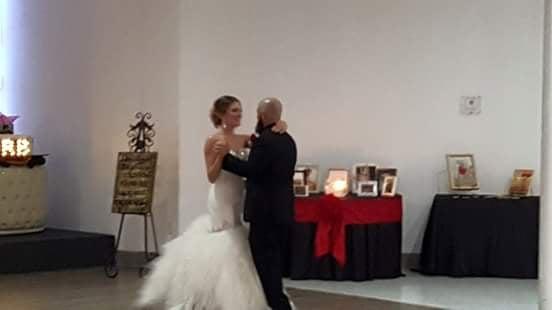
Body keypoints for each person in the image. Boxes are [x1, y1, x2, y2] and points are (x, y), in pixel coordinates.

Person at [136, 95, 286, 310]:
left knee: (239, 237)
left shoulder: (246, 139)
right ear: (221, 114)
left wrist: (281, 123)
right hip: (222, 193)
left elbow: (264, 137)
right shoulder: (213, 140)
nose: (240, 114)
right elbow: (211, 176)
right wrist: (219, 158)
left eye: (240, 110)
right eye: (235, 110)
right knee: (224, 238)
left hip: (238, 194)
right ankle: (213, 296)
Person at [222, 97, 297, 310]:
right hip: (283, 211)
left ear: (262, 115)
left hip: (265, 213)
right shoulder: (288, 139)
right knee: (273, 263)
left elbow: (251, 170)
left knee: (266, 265)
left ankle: (278, 306)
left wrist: (225, 159)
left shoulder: (266, 140)